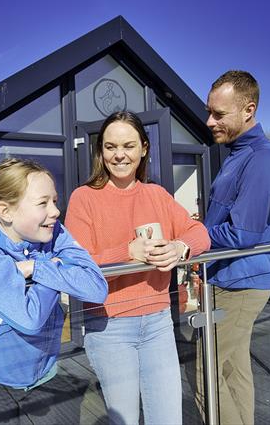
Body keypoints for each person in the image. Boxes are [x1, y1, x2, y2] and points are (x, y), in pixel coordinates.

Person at [65, 111, 210, 425]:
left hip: (157, 323)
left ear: (144, 148)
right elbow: (75, 266)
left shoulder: (156, 194)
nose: (119, 155)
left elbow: (200, 233)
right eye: (110, 146)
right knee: (125, 420)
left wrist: (179, 247)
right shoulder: (83, 199)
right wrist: (125, 253)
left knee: (169, 418)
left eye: (128, 146)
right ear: (100, 151)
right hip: (109, 326)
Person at [0, 158, 108, 420]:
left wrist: (34, 269)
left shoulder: (53, 232)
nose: (56, 211)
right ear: (6, 212)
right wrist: (50, 266)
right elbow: (30, 319)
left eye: (54, 200)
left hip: (47, 370)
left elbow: (96, 288)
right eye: (43, 203)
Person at [198, 70, 270, 424]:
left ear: (248, 110)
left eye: (219, 114)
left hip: (240, 284)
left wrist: (192, 236)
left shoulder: (263, 159)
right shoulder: (238, 154)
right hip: (229, 280)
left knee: (208, 378)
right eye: (210, 112)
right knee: (234, 372)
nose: (209, 121)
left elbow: (244, 234)